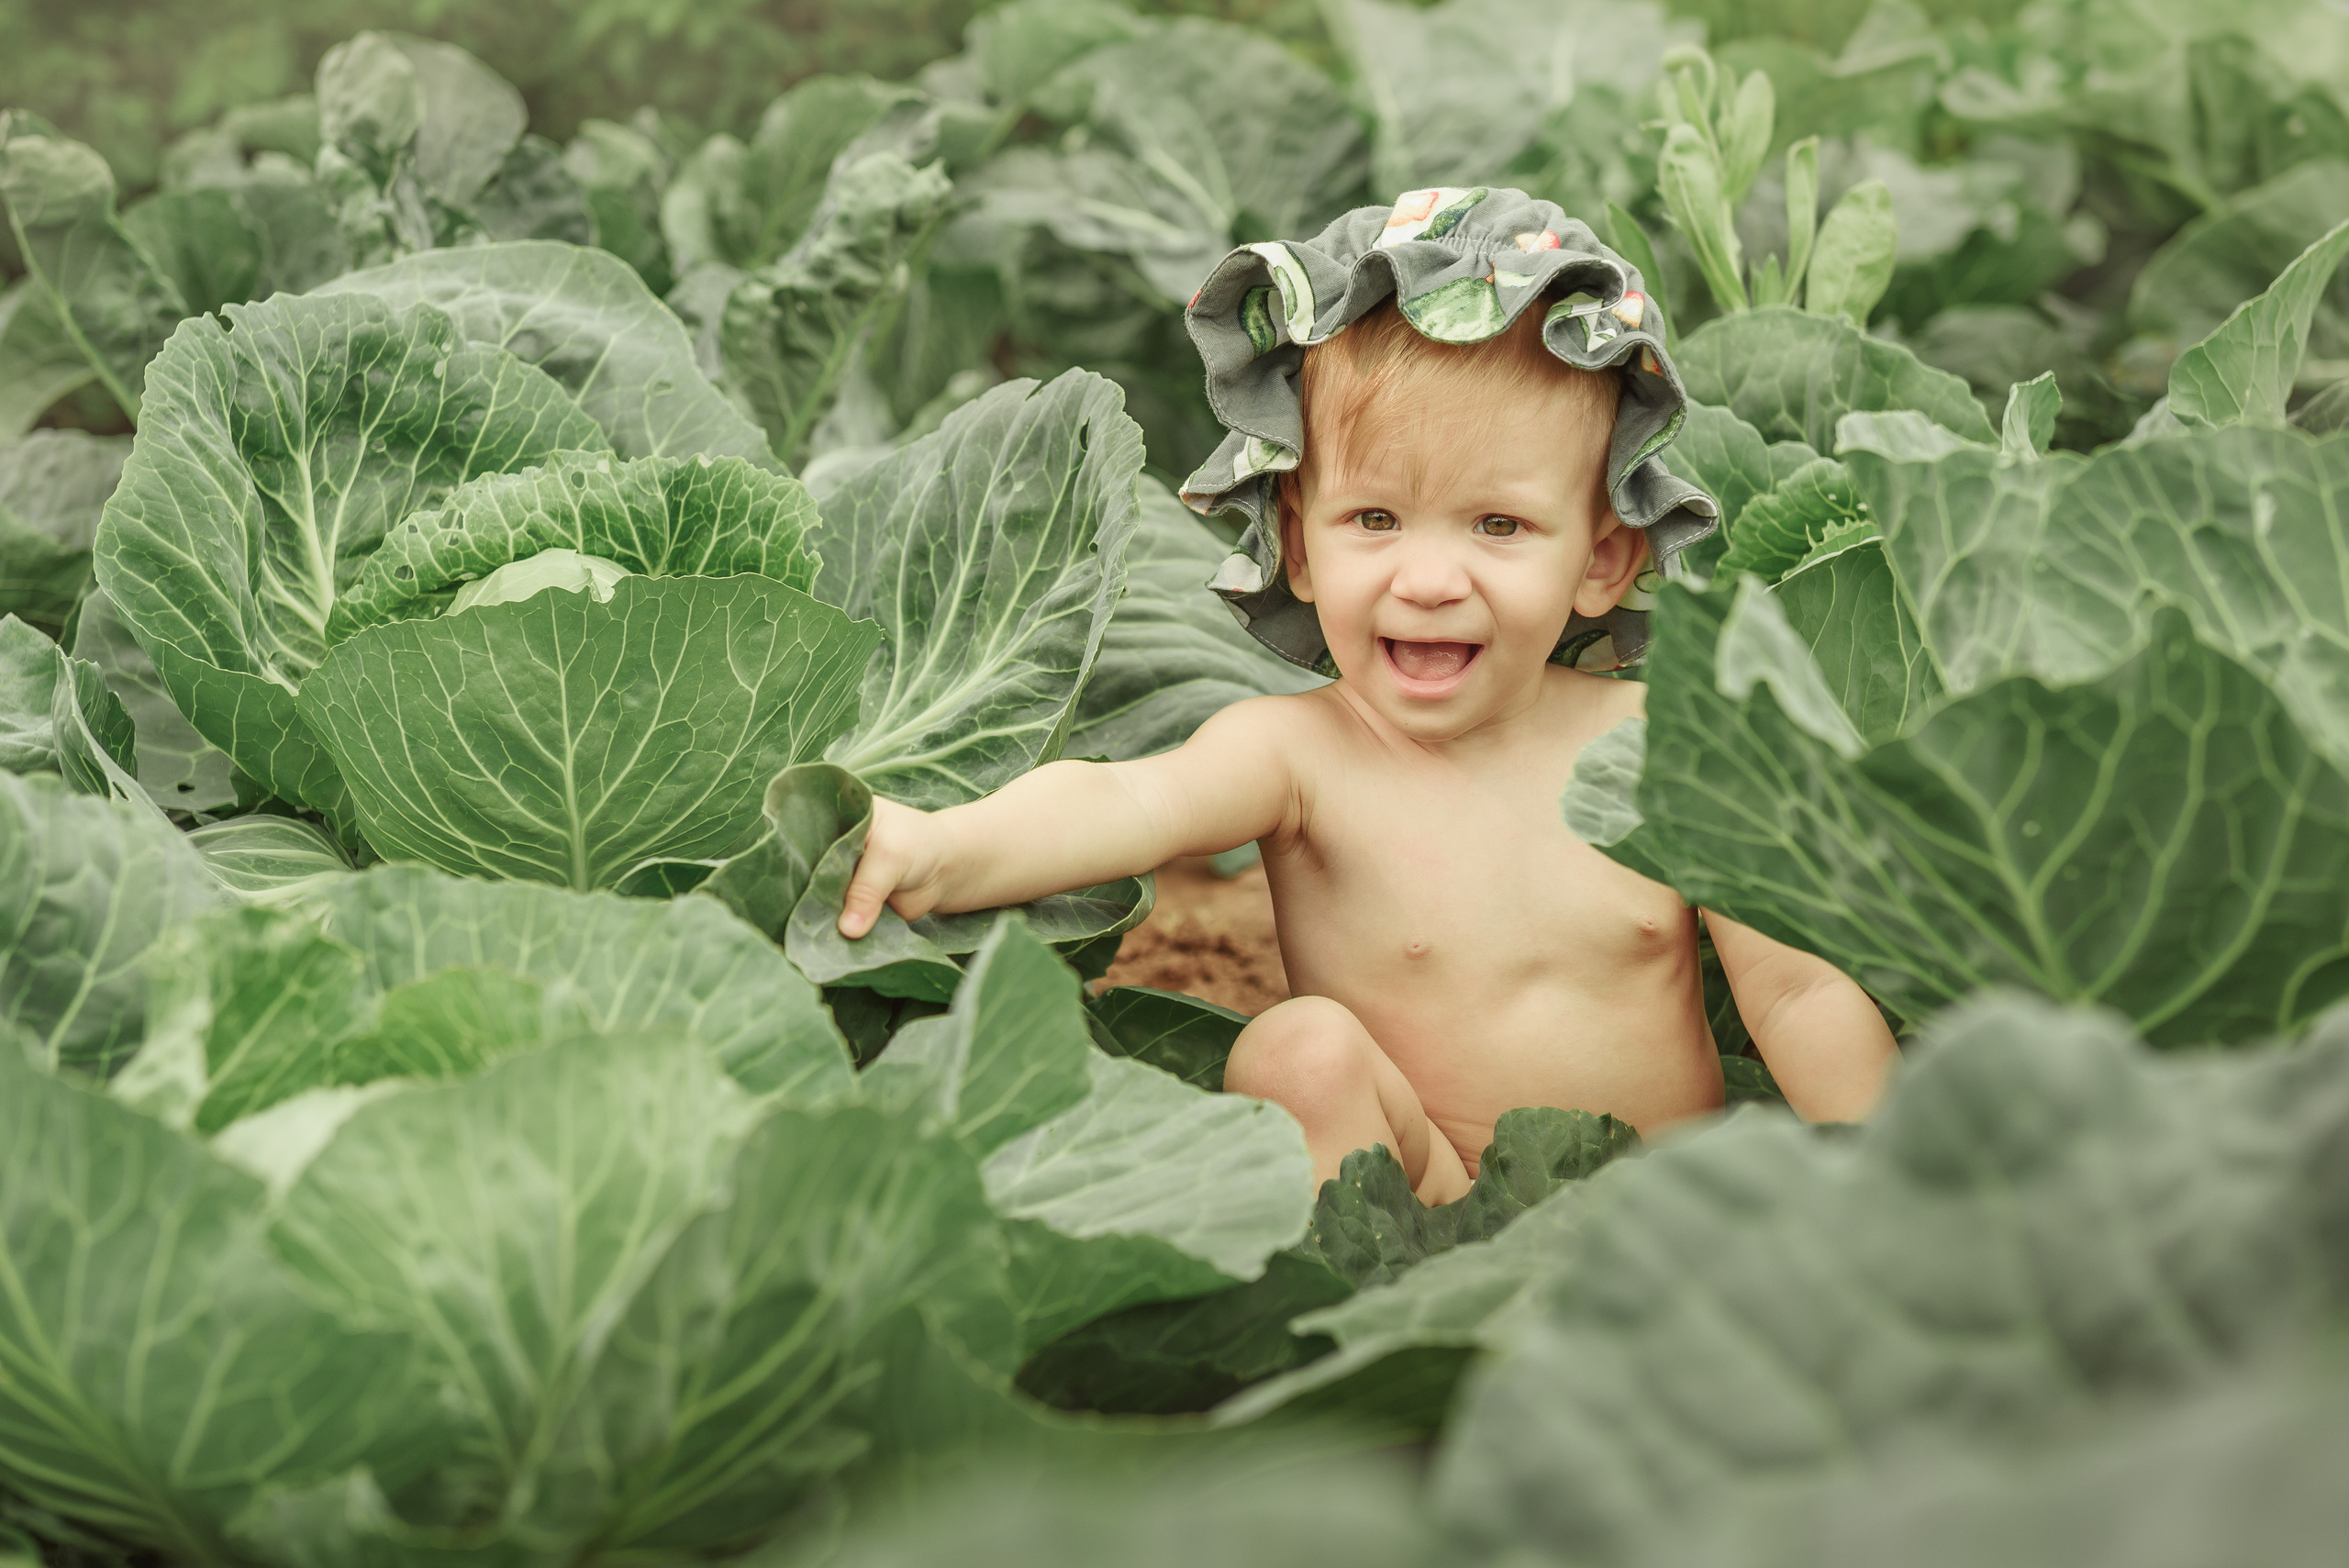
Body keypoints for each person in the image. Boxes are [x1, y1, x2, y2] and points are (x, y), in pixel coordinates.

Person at [836, 186, 1896, 1204]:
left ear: (1603, 559)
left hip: (1670, 1222)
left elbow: (1797, 987)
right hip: (1429, 1203)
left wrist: (1906, 1187)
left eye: (1498, 526)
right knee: (1298, 1051)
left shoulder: (1669, 743)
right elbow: (1126, 804)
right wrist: (946, 847)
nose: (1428, 580)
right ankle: (1377, 1313)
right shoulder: (1299, 757)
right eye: (1375, 520)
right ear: (1295, 543)